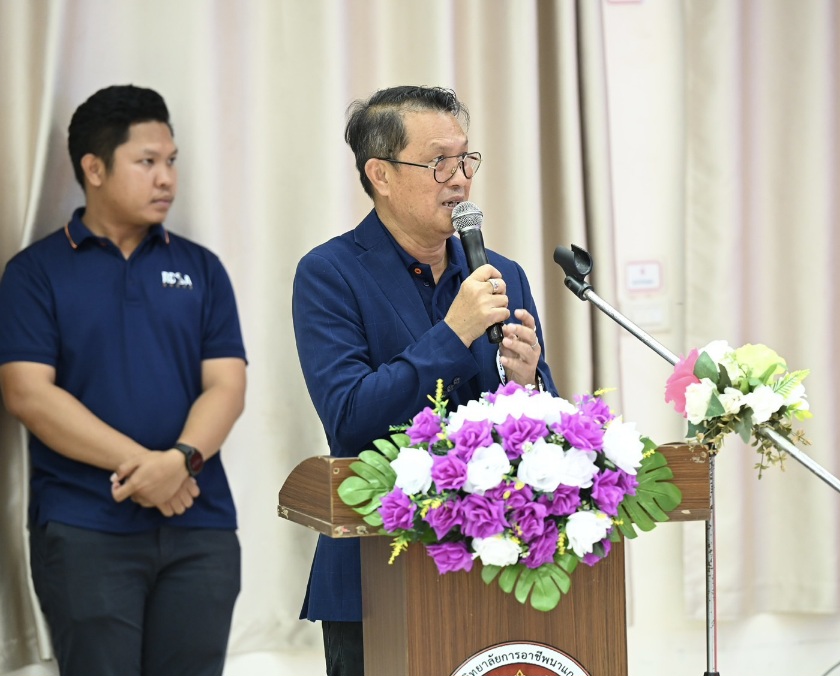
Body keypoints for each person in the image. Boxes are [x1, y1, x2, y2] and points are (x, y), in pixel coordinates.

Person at [292, 85, 557, 676]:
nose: (459, 179)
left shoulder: (502, 274)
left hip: (499, 562)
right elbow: (351, 418)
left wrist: (531, 385)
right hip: (379, 572)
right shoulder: (329, 274)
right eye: (439, 162)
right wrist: (453, 334)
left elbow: (547, 432)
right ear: (380, 174)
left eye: (466, 159)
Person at [0, 85, 247, 676]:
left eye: (172, 161)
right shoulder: (35, 272)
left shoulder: (201, 268)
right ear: (94, 168)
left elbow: (227, 386)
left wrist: (180, 461)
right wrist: (149, 469)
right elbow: (27, 393)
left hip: (200, 527)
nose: (166, 178)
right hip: (85, 527)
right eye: (147, 161)